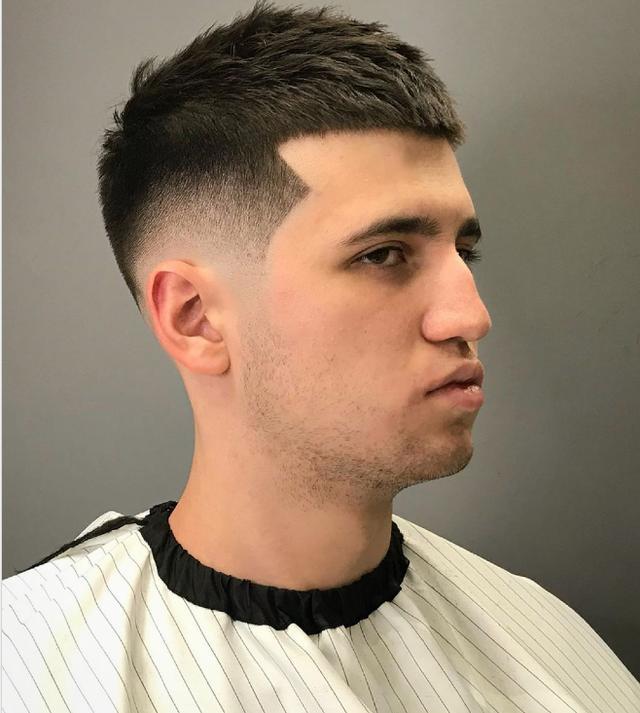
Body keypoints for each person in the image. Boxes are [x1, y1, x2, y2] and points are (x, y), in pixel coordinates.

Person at [3, 1, 639, 710]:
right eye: (384, 254)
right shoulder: (26, 671)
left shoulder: (548, 645)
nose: (472, 316)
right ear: (196, 318)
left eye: (464, 251)